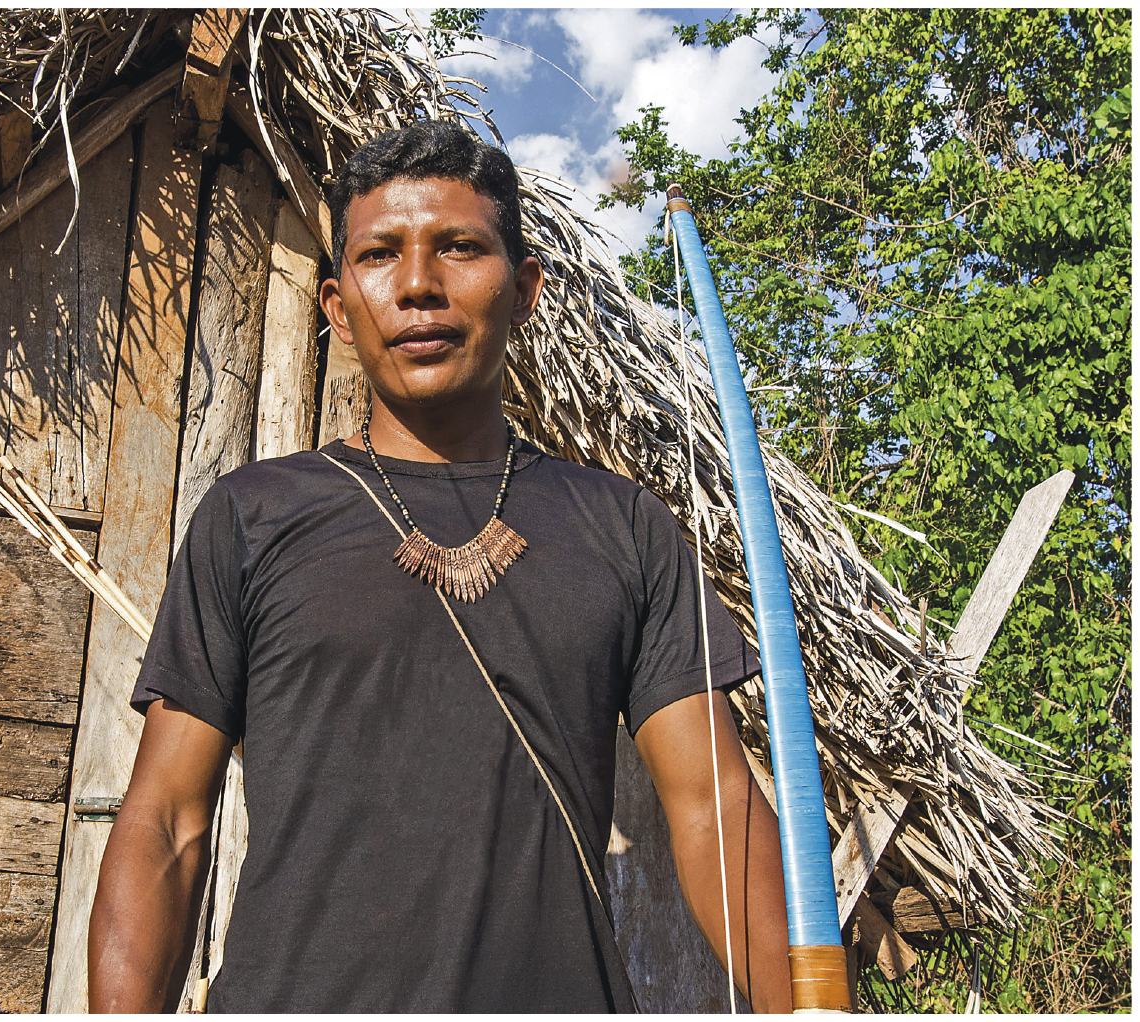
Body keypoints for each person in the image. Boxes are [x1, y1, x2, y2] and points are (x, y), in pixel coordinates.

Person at [88, 121, 791, 1013]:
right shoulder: (252, 516)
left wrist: (805, 1004)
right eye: (381, 255)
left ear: (524, 288)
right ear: (339, 309)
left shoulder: (624, 528)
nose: (419, 285)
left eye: (459, 248)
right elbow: (167, 824)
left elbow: (714, 810)